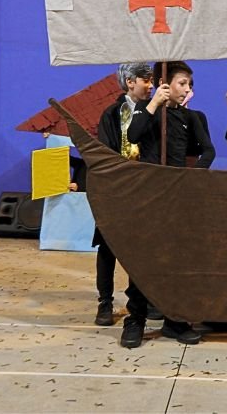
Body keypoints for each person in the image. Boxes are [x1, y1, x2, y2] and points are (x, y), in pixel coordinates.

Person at [126, 60, 215, 347]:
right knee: (144, 259)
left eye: (190, 84)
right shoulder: (147, 111)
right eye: (181, 83)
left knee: (177, 259)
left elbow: (208, 151)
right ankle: (135, 320)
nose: (187, 88)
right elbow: (133, 135)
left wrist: (191, 177)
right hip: (151, 196)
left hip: (178, 196)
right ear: (165, 84)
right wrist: (154, 103)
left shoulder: (192, 117)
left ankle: (175, 321)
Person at [92, 62, 164, 337]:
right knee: (107, 246)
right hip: (117, 189)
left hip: (146, 189)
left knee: (143, 247)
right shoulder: (111, 114)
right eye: (146, 80)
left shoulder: (155, 111)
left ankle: (144, 298)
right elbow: (105, 151)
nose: (150, 85)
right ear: (130, 82)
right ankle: (105, 302)